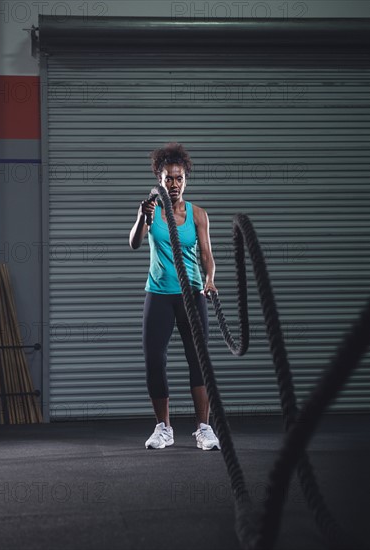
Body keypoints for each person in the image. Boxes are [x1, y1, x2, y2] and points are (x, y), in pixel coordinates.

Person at [129, 142, 220, 451]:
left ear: (186, 179)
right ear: (159, 177)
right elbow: (133, 243)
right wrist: (143, 217)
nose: (174, 184)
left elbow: (207, 255)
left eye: (179, 178)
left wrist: (209, 280)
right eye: (168, 178)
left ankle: (204, 429)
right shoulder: (151, 209)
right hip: (158, 295)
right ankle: (163, 428)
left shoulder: (198, 215)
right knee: (154, 360)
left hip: (191, 296)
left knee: (199, 361)